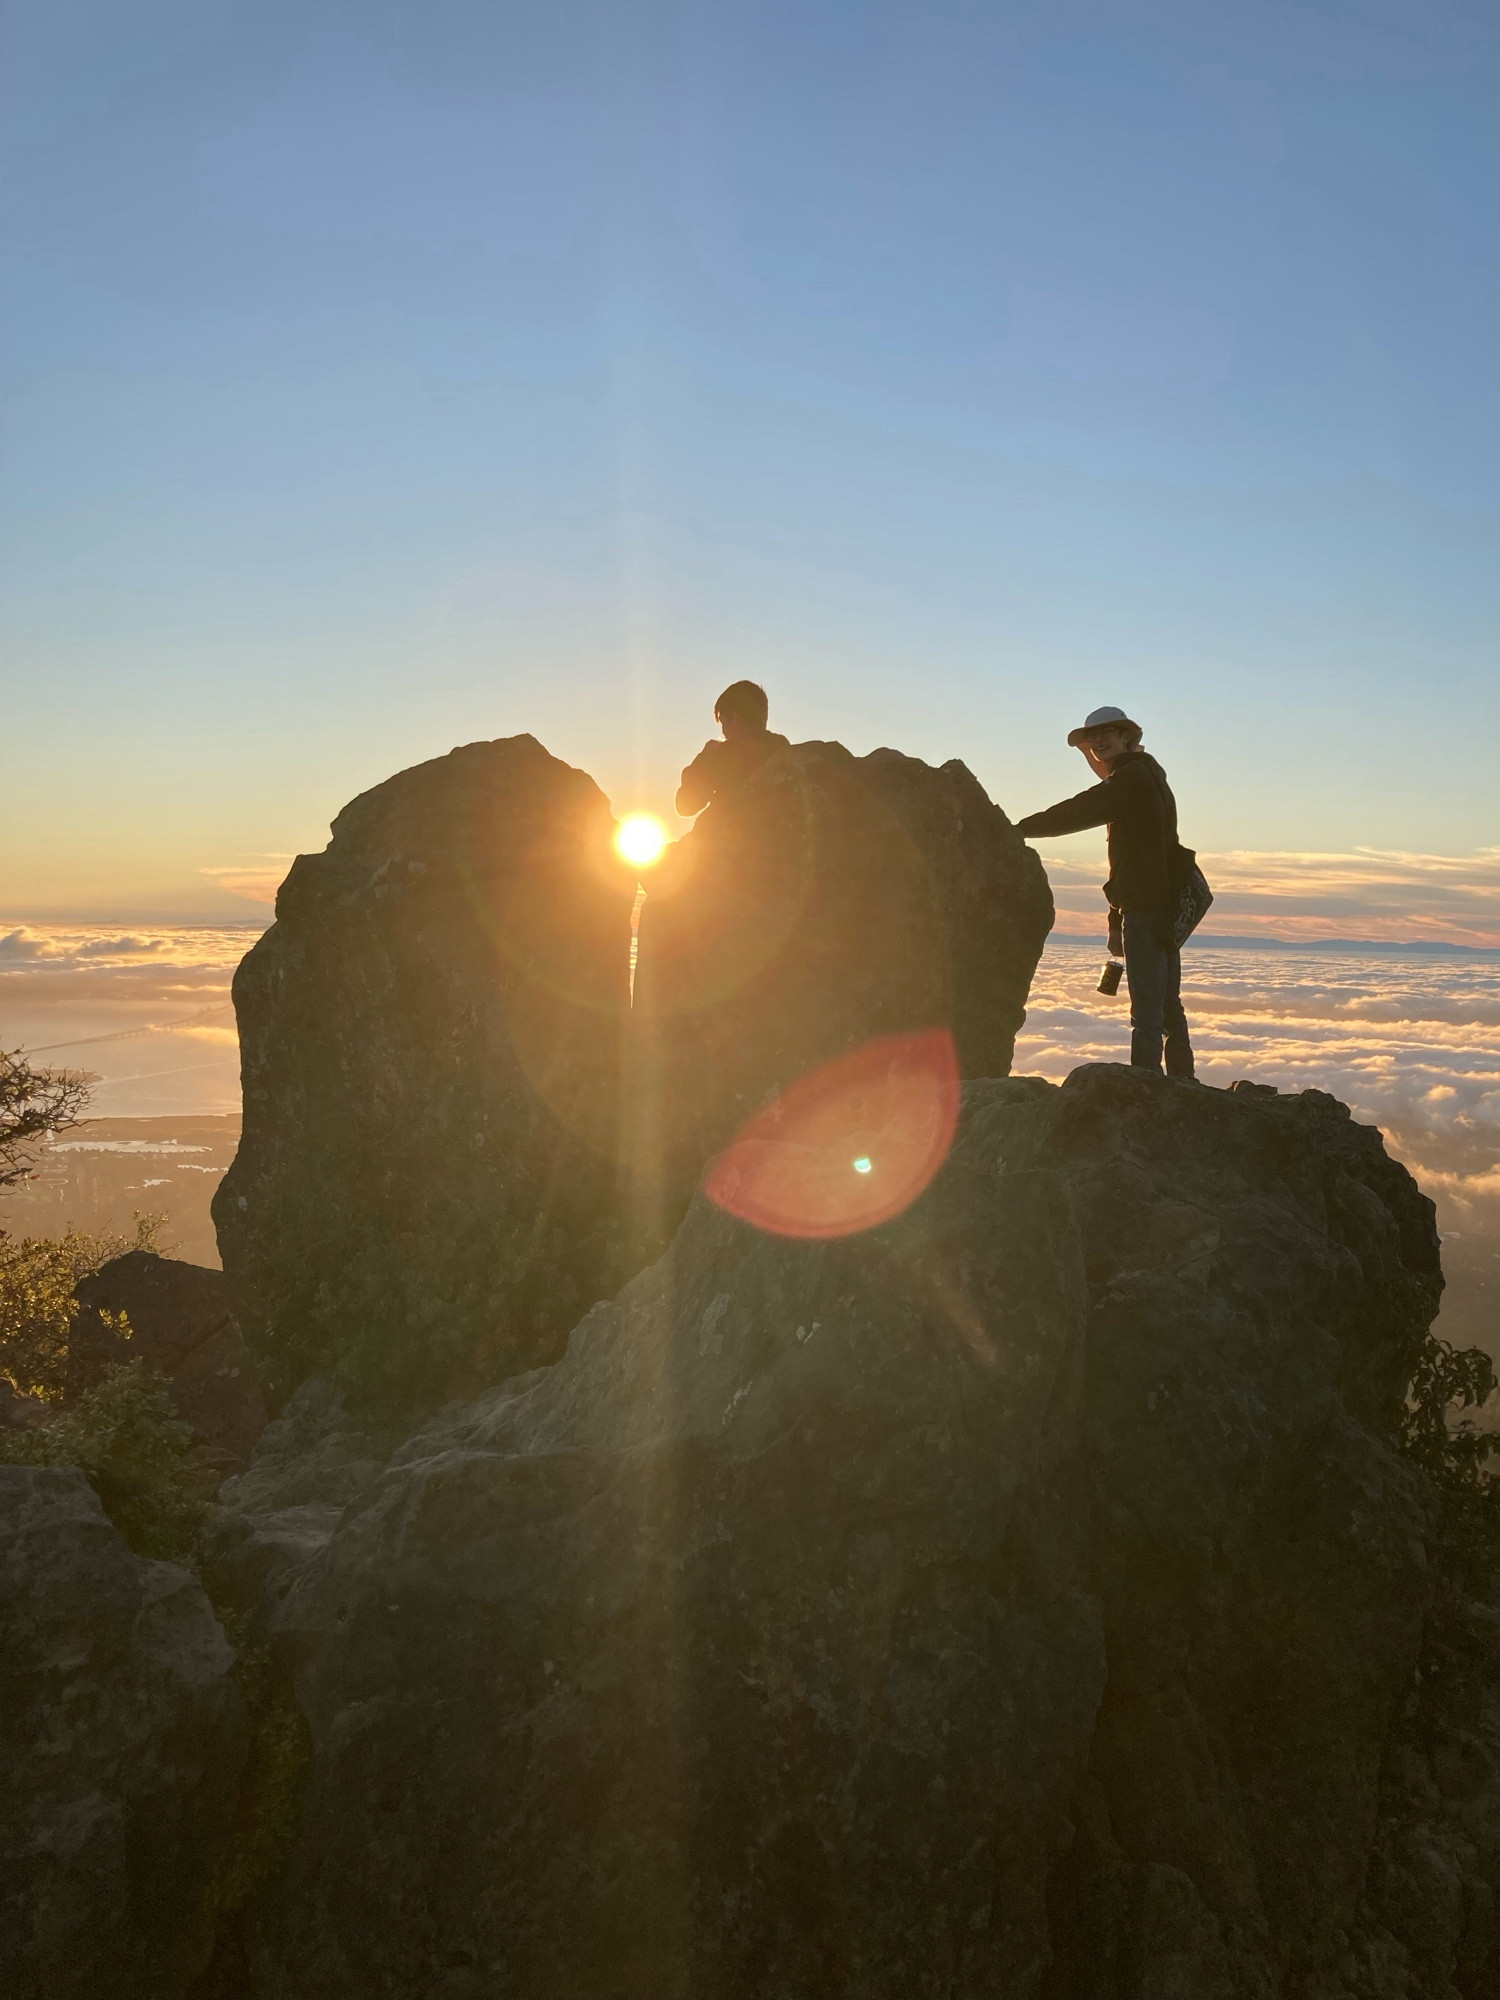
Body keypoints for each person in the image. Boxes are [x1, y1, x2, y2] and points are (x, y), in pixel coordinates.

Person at [1014, 705, 1195, 1077]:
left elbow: (1082, 809)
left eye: (1105, 733)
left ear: (1126, 735)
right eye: (1090, 737)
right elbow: (1128, 854)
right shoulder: (1147, 775)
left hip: (1146, 907)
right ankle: (1183, 1081)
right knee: (1166, 1003)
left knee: (1147, 1008)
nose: (1096, 741)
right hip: (1162, 905)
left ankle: (1146, 1085)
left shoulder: (1131, 781)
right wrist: (1115, 920)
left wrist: (1017, 829)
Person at [675, 681, 790, 818]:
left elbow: (685, 806)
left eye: (723, 723)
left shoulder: (724, 754)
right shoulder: (780, 745)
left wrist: (703, 759)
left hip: (732, 834)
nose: (723, 732)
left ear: (735, 718)